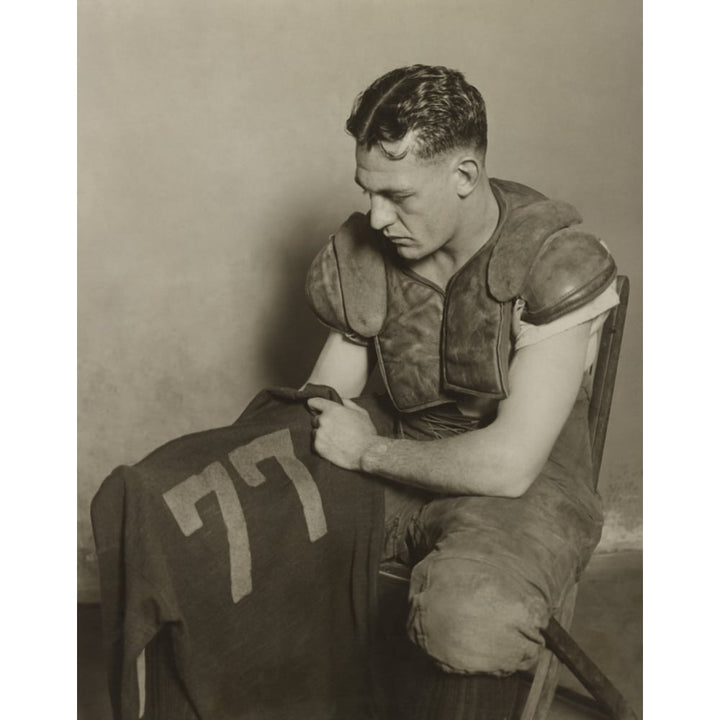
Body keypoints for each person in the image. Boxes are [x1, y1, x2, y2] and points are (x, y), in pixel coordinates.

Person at [302, 64, 619, 719]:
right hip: (403, 449)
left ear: (464, 177)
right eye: (367, 191)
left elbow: (508, 465)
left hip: (530, 483)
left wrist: (366, 454)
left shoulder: (552, 257)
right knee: (254, 538)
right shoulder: (366, 250)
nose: (375, 215)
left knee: (473, 616)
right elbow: (324, 400)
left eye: (399, 196)